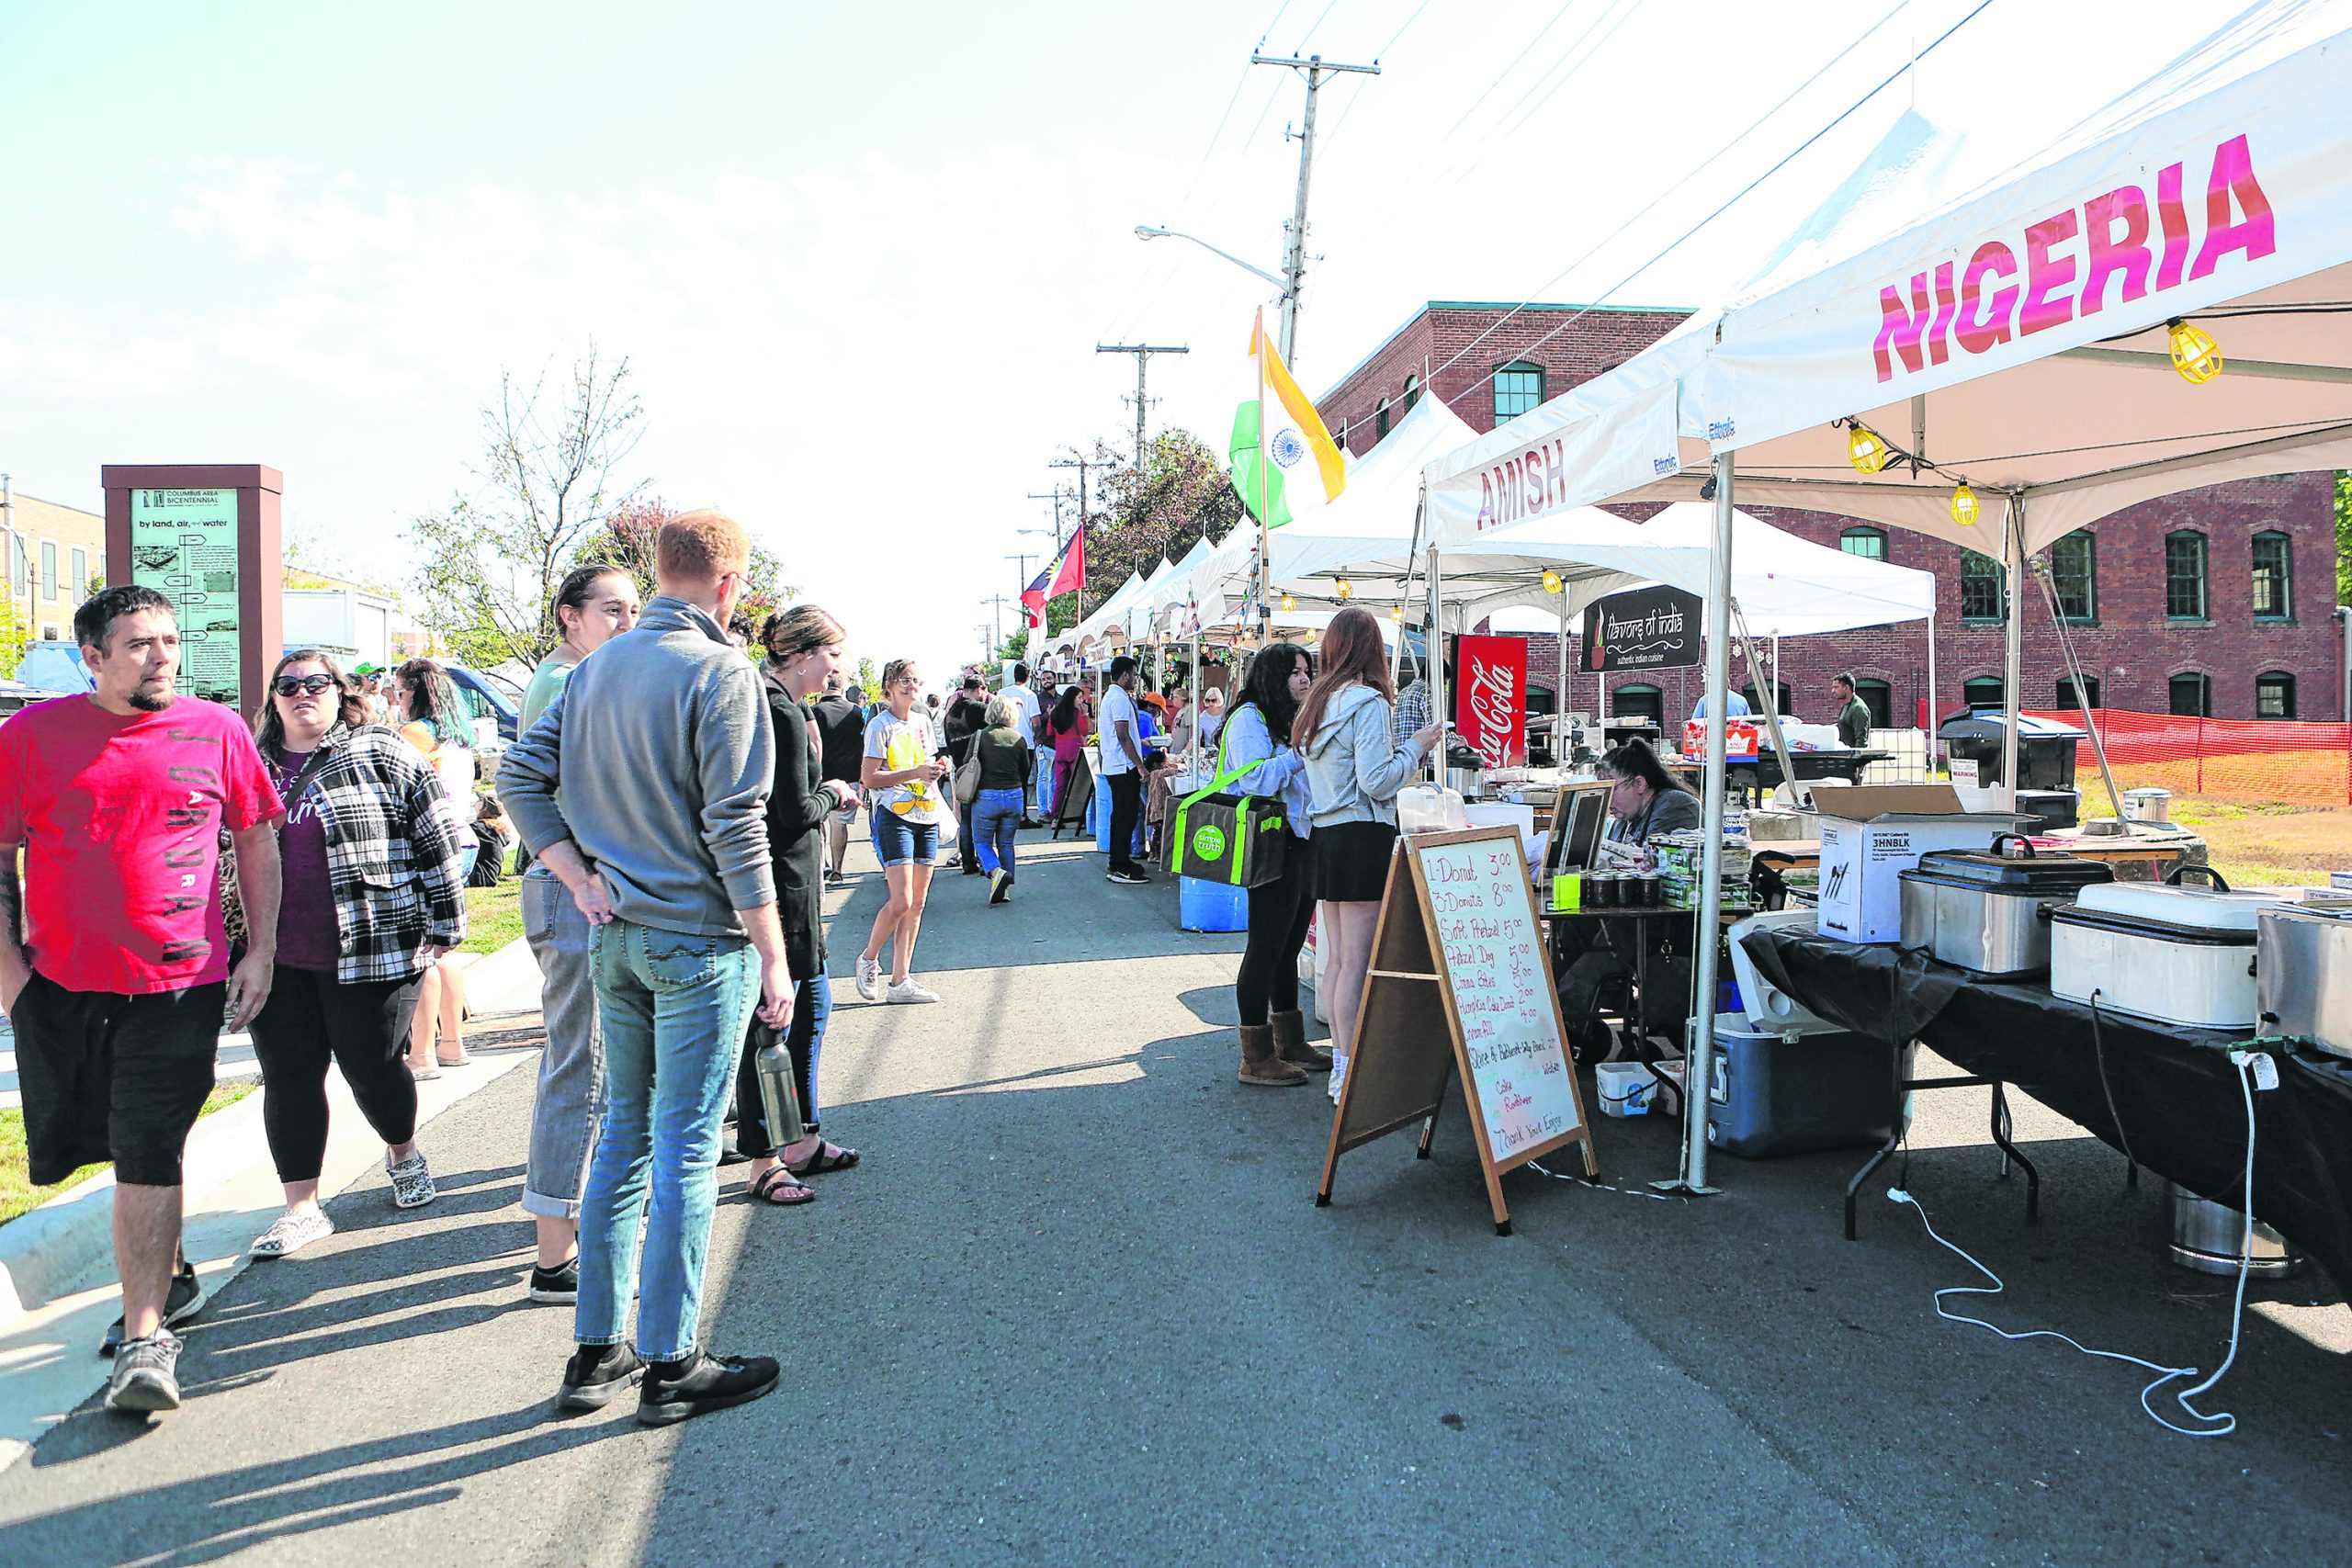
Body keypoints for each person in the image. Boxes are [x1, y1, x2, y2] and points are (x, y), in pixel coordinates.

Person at [501, 508, 793, 1425]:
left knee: (624, 1134)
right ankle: (671, 1360)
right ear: (730, 585)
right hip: (699, 941)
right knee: (683, 1148)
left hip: (616, 936)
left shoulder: (592, 671)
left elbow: (516, 778)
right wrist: (773, 953)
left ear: (657, 571)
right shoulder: (721, 670)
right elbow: (736, 824)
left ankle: (597, 1350)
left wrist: (575, 872)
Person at [0, 585, 283, 1415]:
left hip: (180, 984)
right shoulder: (31, 737)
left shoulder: (216, 728)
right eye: (139, 645)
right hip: (59, 988)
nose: (162, 656)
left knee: (147, 1140)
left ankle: (145, 1336)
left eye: (168, 640)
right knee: (98, 1142)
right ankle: (173, 1268)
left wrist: (259, 949)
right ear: (92, 658)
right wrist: (11, 977)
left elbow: (255, 834)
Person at [243, 651, 469, 1259]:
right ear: (274, 698)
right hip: (277, 957)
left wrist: (447, 921)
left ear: (341, 692)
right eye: (287, 685)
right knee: (288, 1077)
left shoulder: (383, 752)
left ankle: (403, 1150)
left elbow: (436, 836)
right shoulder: (253, 764)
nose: (301, 693)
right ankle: (301, 1205)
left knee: (372, 1066)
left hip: (371, 946)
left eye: (315, 682)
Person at [511, 562, 639, 1305]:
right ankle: (554, 1257)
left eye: (631, 610)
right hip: (570, 888)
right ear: (569, 616)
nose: (625, 623)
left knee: (596, 1065)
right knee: (579, 1067)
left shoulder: (575, 678)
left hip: (577, 888)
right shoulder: (567, 683)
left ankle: (571, 1226)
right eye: (610, 610)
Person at [736, 605, 862, 1208]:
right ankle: (766, 1157)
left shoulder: (779, 704)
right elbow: (791, 811)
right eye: (833, 654)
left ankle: (801, 1138)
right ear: (806, 651)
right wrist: (833, 791)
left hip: (789, 886)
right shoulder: (779, 710)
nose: (836, 669)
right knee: (779, 1021)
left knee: (809, 1006)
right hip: (781, 888)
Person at [1295, 606, 1445, 1100]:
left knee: (1338, 962)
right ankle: (1351, 1071)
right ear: (1371, 649)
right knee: (1356, 962)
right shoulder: (1367, 702)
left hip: (1326, 836)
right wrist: (1416, 749)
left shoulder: (1317, 702)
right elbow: (1377, 781)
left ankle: (1343, 1064)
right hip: (1361, 836)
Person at [1556, 739, 1705, 1057]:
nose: (1609, 804)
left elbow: (1655, 861)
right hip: (1633, 908)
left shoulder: (1676, 804)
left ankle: (1566, 1010)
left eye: (1612, 792)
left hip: (1668, 915)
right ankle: (1560, 1007)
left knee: (1614, 932)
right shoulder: (1624, 820)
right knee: (1569, 923)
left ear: (1639, 783)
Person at [1222, 642, 1323, 1088]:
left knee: (1289, 946)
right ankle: (1255, 1055)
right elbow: (1254, 778)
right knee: (1265, 947)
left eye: (1307, 671)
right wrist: (1299, 753)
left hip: (1297, 840)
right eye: (1294, 672)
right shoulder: (1249, 719)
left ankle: (1290, 1041)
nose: (1304, 679)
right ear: (1272, 677)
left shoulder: (1286, 719)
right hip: (1269, 843)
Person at [390, 660, 479, 1080]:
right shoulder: (459, 737)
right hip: (463, 842)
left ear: (416, 692)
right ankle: (452, 1042)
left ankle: (421, 1053)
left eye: (400, 691)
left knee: (421, 953)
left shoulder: (415, 735)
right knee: (446, 949)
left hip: (429, 846)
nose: (396, 699)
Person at [856, 659, 950, 1004]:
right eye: (904, 680)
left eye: (915, 679)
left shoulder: (924, 722)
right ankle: (868, 959)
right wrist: (914, 772)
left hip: (925, 812)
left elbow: (931, 760)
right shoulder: (880, 725)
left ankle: (901, 981)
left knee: (919, 902)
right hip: (894, 815)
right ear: (889, 686)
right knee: (901, 900)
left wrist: (940, 766)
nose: (912, 685)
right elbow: (869, 779)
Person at [968, 694, 1033, 906]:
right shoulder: (1019, 739)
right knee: (1006, 843)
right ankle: (1004, 890)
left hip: (987, 796)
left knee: (982, 843)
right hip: (1014, 795)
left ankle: (996, 872)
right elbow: (1025, 770)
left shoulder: (979, 736)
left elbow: (968, 764)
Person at [811, 675, 868, 886]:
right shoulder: (856, 712)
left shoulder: (814, 711)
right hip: (850, 774)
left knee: (818, 820)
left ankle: (822, 864)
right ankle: (837, 870)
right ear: (842, 687)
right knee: (839, 823)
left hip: (820, 774)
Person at [1099, 656, 1149, 885]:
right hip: (1122, 766)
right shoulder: (1118, 698)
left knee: (1123, 815)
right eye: (1135, 674)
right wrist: (1139, 765)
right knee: (1124, 815)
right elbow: (1122, 734)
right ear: (1126, 675)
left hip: (1116, 764)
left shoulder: (1114, 697)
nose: (1137, 679)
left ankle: (1120, 859)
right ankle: (1119, 863)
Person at [943, 675, 989, 876]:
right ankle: (983, 857)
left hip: (958, 767)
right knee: (981, 816)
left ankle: (967, 861)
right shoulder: (976, 708)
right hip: (976, 767)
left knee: (965, 817)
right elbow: (996, 725)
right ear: (979, 688)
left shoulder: (951, 712)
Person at [1001, 662, 1045, 826]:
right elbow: (1036, 722)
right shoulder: (1030, 695)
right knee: (1022, 782)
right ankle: (1022, 816)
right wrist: (1037, 735)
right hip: (1024, 742)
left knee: (1005, 780)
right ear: (1028, 677)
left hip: (1003, 741)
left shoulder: (1002, 693)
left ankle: (1005, 816)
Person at [1046, 682, 1090, 833]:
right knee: (1077, 786)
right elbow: (1084, 730)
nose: (1081, 701)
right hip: (1074, 750)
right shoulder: (1077, 713)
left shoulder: (1055, 712)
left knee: (1060, 786)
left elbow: (1049, 731)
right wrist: (1084, 715)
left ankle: (1055, 817)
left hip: (1060, 750)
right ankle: (1082, 819)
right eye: (1079, 697)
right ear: (1073, 698)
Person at [1832, 671, 1872, 749]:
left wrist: (1856, 759)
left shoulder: (1858, 708)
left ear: (1846, 688)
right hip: (1845, 755)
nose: (1833, 691)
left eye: (1836, 687)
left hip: (1852, 757)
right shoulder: (1847, 705)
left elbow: (1861, 741)